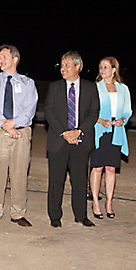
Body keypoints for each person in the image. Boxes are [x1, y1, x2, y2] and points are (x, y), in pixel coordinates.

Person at [0, 45, 38, 228]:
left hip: (21, 133)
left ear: (15, 59)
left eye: (4, 56)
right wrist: (6, 126)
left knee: (19, 174)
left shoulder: (27, 83)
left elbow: (30, 109)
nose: (1, 60)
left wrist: (14, 124)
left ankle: (18, 213)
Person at [44, 51, 99, 228]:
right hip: (59, 141)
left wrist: (79, 131)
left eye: (67, 65)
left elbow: (94, 113)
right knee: (56, 181)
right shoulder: (55, 87)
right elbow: (49, 112)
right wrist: (65, 133)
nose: (63, 68)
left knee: (80, 180)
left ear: (77, 66)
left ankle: (81, 215)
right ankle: (55, 216)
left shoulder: (90, 87)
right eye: (62, 65)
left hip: (80, 142)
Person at [89, 57, 132, 220]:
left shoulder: (123, 89)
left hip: (116, 131)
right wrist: (101, 121)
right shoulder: (95, 88)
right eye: (100, 67)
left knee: (111, 168)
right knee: (97, 167)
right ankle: (95, 202)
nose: (102, 70)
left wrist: (123, 119)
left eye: (106, 67)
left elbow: (128, 110)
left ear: (114, 69)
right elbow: (89, 110)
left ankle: (109, 203)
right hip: (100, 130)